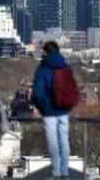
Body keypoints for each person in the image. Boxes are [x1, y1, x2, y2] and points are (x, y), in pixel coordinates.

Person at [31, 41, 78, 180]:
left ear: (45, 52)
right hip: (64, 109)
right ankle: (65, 171)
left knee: (52, 140)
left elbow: (38, 92)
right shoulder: (66, 67)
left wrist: (41, 107)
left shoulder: (43, 68)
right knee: (64, 139)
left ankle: (56, 171)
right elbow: (72, 88)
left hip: (49, 110)